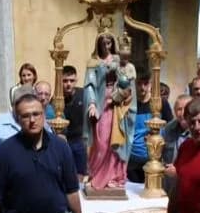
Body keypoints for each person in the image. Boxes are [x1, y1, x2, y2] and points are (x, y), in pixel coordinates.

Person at [84, 32, 137, 191]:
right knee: (101, 142)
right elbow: (90, 85)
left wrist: (121, 95)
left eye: (109, 43)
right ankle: (96, 174)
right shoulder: (93, 62)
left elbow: (127, 83)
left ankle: (114, 176)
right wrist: (92, 104)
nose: (106, 46)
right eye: (103, 43)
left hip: (117, 105)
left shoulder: (119, 60)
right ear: (98, 44)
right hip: (101, 104)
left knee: (114, 142)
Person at [157, 94, 192, 213]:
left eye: (184, 109)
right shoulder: (168, 129)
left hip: (189, 190)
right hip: (169, 188)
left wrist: (179, 171)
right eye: (177, 109)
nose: (180, 113)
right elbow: (158, 153)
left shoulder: (197, 131)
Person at [126, 73, 174, 185]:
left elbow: (170, 128)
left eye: (145, 83)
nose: (142, 87)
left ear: (150, 84)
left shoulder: (160, 103)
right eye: (139, 83)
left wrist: (158, 137)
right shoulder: (128, 104)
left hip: (154, 159)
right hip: (132, 160)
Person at [62, 65, 87, 179]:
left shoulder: (84, 94)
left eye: (71, 81)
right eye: (65, 81)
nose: (68, 84)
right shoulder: (56, 99)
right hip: (64, 142)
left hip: (81, 142)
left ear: (76, 80)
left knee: (80, 176)